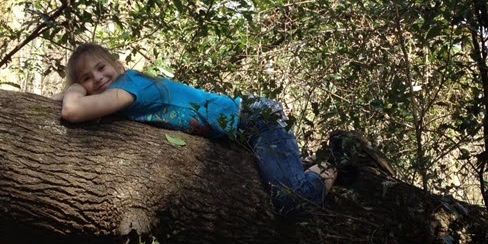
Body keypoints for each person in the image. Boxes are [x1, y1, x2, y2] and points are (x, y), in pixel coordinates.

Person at [52, 43, 338, 214]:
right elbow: (53, 103)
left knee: (291, 200)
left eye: (101, 68)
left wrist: (76, 87)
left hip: (255, 120)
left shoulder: (130, 86)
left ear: (118, 65)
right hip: (239, 137)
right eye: (87, 78)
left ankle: (333, 163)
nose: (98, 79)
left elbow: (72, 110)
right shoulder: (120, 96)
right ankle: (305, 166)